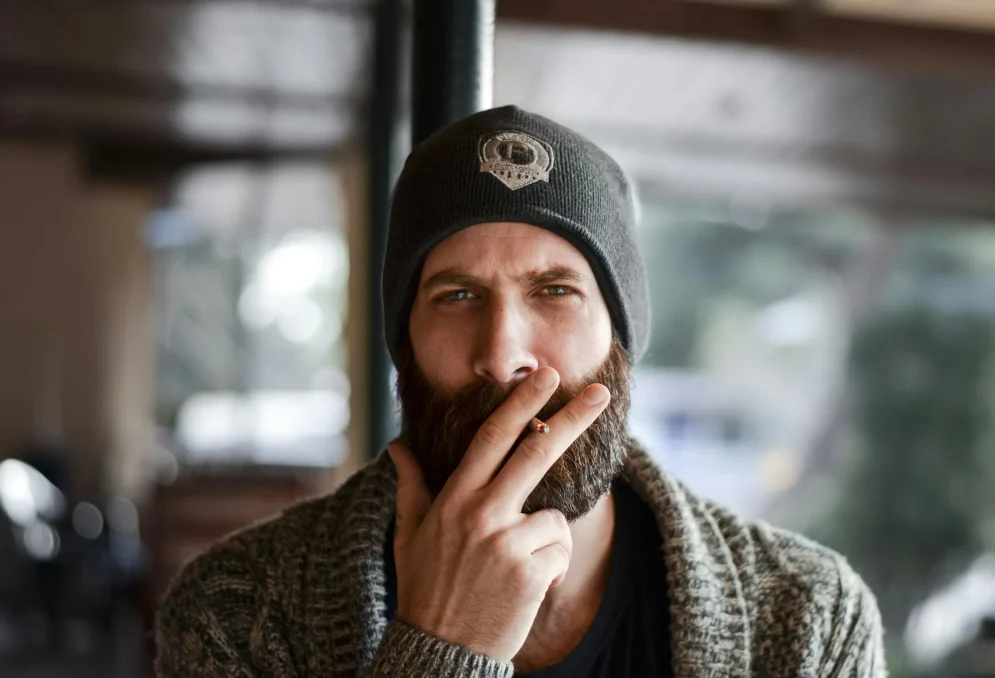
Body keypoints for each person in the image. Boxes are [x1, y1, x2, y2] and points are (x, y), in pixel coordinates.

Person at [156, 106, 887, 677]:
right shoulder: (239, 606)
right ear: (402, 341)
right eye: (457, 294)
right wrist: (444, 649)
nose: (504, 356)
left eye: (556, 291)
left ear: (621, 340)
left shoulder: (809, 615)